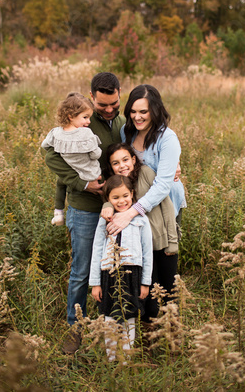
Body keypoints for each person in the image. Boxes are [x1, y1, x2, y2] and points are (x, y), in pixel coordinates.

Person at [42, 72, 125, 354]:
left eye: (114, 103)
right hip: (84, 210)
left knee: (110, 269)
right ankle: (75, 329)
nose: (110, 109)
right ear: (92, 97)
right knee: (81, 272)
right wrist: (83, 183)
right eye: (104, 105)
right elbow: (50, 156)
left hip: (117, 209)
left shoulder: (122, 123)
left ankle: (107, 327)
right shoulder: (77, 123)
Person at [106, 85, 186, 316]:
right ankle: (150, 315)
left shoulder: (167, 138)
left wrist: (132, 212)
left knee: (165, 261)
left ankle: (171, 319)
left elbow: (163, 184)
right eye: (133, 111)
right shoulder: (127, 133)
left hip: (165, 206)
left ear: (155, 109)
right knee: (145, 260)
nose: (137, 117)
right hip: (138, 205)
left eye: (144, 111)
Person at [102, 143, 179, 321]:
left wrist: (172, 240)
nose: (122, 166)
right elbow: (109, 201)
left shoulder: (145, 173)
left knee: (169, 289)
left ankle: (172, 329)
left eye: (125, 160)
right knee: (149, 292)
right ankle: (149, 328)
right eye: (116, 163)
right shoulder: (115, 183)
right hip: (140, 249)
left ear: (134, 159)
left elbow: (166, 205)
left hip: (161, 242)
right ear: (111, 167)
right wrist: (106, 205)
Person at [89, 175, 153, 361]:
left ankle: (126, 357)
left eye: (125, 196)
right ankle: (111, 357)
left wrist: (145, 282)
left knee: (129, 316)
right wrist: (95, 283)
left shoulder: (141, 219)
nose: (121, 201)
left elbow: (147, 253)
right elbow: (97, 250)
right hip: (108, 274)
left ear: (132, 194)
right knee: (109, 316)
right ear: (108, 200)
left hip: (132, 274)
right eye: (115, 198)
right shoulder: (105, 220)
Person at [41, 92, 101, 226]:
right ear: (71, 116)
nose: (89, 121)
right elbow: (95, 154)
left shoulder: (56, 132)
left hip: (74, 173)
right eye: (85, 117)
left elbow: (45, 145)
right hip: (91, 173)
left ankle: (58, 213)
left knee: (61, 182)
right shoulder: (86, 133)